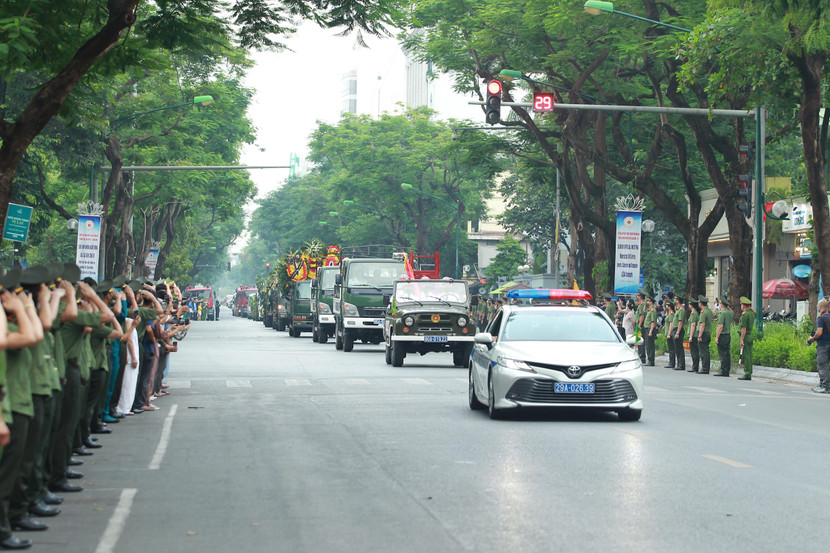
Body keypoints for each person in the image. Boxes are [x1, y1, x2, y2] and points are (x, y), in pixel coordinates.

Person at [806, 299, 830, 393]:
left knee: (823, 365)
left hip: (823, 344)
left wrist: (812, 338)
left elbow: (819, 333)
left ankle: (825, 386)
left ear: (820, 307)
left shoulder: (821, 318)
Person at [714, 296, 733, 377]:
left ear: (722, 304)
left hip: (722, 335)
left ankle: (723, 370)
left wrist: (717, 337)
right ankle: (727, 369)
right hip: (728, 335)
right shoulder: (729, 312)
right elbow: (732, 311)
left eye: (720, 303)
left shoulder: (722, 313)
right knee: (727, 353)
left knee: (722, 354)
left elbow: (720, 326)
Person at [738, 297, 755, 381]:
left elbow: (743, 328)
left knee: (746, 355)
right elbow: (755, 312)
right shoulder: (751, 313)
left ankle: (747, 373)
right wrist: (749, 306)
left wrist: (741, 339)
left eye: (741, 304)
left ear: (743, 305)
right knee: (749, 355)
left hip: (746, 336)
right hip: (750, 336)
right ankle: (749, 372)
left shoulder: (745, 314)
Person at [697, 296, 713, 374]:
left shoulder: (703, 312)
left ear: (701, 303)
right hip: (708, 332)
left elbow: (702, 324)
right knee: (706, 351)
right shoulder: (709, 311)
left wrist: (700, 335)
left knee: (703, 352)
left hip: (703, 333)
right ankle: (706, 368)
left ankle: (705, 368)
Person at [673, 296, 686, 371]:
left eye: (675, 300)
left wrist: (677, 332)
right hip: (675, 329)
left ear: (678, 301)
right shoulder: (677, 309)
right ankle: (679, 363)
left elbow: (680, 322)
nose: (674, 301)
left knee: (679, 348)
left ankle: (681, 364)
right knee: (677, 348)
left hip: (679, 330)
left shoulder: (681, 310)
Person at [687, 298, 700, 373]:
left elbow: (693, 325)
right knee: (693, 351)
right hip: (693, 335)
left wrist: (691, 336)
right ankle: (694, 366)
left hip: (694, 335)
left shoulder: (694, 314)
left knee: (694, 352)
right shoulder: (693, 313)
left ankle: (695, 367)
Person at [644, 295, 657, 366]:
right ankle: (649, 359)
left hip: (650, 329)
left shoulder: (653, 310)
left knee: (650, 346)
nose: (647, 302)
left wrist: (651, 331)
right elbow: (643, 310)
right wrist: (645, 305)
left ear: (651, 302)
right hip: (647, 328)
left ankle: (651, 360)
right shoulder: (649, 310)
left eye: (648, 301)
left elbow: (653, 322)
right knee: (647, 345)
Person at [635, 291, 647, 363]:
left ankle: (642, 357)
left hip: (640, 325)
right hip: (638, 324)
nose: (637, 297)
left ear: (640, 296)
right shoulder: (641, 304)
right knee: (639, 341)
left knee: (640, 341)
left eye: (638, 296)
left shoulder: (642, 305)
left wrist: (639, 325)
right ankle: (640, 356)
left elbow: (642, 315)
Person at [663, 302, 675, 368]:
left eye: (667, 306)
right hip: (668, 332)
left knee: (671, 349)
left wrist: (669, 333)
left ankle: (672, 362)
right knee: (670, 348)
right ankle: (671, 362)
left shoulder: (671, 314)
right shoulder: (669, 314)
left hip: (669, 333)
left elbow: (671, 324)